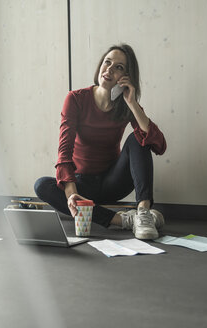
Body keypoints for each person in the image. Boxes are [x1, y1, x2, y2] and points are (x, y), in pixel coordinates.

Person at [34, 43, 167, 239]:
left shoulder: (125, 105)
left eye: (119, 67)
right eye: (107, 62)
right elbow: (64, 153)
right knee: (41, 186)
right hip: (82, 185)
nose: (110, 69)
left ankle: (144, 213)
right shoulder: (76, 99)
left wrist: (132, 103)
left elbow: (159, 145)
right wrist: (72, 195)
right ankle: (124, 221)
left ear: (126, 76)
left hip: (112, 182)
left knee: (137, 139)